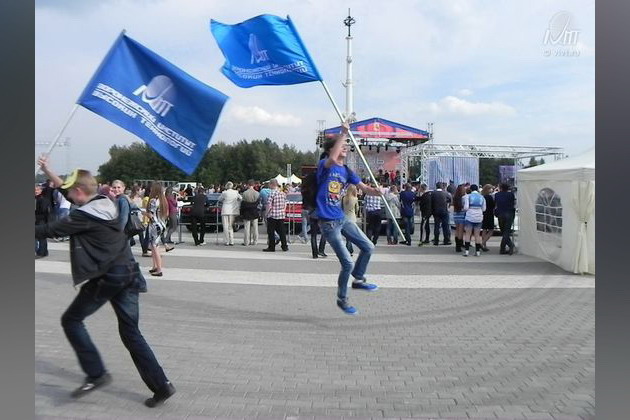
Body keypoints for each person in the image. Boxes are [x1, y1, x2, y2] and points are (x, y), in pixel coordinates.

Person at [34, 167, 175, 407]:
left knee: (71, 320)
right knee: (131, 332)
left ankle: (96, 374)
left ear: (80, 192)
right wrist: (48, 170)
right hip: (129, 272)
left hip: (109, 277)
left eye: (71, 191)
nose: (68, 194)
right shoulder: (105, 202)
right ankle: (162, 385)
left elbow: (49, 230)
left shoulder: (83, 216)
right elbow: (68, 190)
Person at [316, 124, 383, 315]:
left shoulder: (346, 171)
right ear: (332, 150)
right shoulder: (325, 166)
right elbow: (332, 159)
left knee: (368, 247)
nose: (345, 147)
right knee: (347, 263)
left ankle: (358, 279)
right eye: (342, 146)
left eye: (346, 145)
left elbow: (365, 188)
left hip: (342, 218)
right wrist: (343, 133)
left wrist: (377, 191)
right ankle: (342, 299)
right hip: (328, 223)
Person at [145, 183, 171, 276]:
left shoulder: (153, 200)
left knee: (154, 247)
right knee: (155, 246)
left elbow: (151, 215)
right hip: (161, 224)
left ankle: (159, 269)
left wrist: (143, 213)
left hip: (154, 225)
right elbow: (166, 214)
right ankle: (155, 266)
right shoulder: (163, 201)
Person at [263, 179, 288, 252]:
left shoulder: (271, 193)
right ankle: (284, 246)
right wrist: (283, 210)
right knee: (282, 231)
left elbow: (269, 205)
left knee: (271, 232)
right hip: (281, 215)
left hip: (272, 215)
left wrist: (266, 214)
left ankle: (271, 247)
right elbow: (285, 203)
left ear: (271, 184)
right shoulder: (282, 193)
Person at [462, 184, 487, 257]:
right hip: (479, 217)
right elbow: (484, 209)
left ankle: (467, 251)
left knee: (468, 234)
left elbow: (466, 207)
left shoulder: (468, 196)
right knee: (477, 235)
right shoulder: (482, 197)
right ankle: (477, 251)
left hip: (470, 216)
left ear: (471, 189)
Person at [494, 183, 516, 255]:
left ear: (500, 188)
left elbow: (496, 204)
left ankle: (504, 248)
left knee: (503, 231)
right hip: (509, 213)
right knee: (506, 231)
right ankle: (509, 246)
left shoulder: (497, 195)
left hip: (500, 214)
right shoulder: (511, 194)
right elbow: (513, 203)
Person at [218, 181, 242, 246]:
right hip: (232, 210)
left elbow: (219, 199)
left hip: (225, 210)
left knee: (225, 226)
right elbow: (241, 198)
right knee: (230, 226)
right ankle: (232, 241)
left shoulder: (224, 193)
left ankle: (227, 241)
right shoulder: (236, 192)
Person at [240, 179, 260, 246]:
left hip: (247, 212)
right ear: (254, 185)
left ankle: (246, 242)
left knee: (246, 228)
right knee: (255, 227)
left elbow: (243, 203)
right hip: (254, 211)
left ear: (248, 185)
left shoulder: (245, 193)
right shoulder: (257, 193)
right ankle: (255, 241)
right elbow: (258, 203)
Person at [342, 184, 360, 255]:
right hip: (352, 217)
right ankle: (348, 249)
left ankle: (350, 249)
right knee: (350, 236)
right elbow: (357, 209)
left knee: (347, 235)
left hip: (344, 217)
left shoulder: (343, 198)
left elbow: (341, 208)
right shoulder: (355, 199)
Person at [452, 185, 467, 253]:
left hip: (456, 214)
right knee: (461, 231)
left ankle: (457, 245)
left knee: (457, 230)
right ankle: (459, 246)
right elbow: (465, 207)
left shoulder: (455, 197)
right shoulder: (464, 198)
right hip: (462, 214)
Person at [481, 184, 496, 252]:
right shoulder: (489, 197)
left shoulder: (482, 197)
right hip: (489, 214)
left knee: (484, 229)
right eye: (490, 188)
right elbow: (493, 205)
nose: (492, 190)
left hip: (484, 214)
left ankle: (484, 245)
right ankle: (482, 243)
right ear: (488, 189)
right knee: (491, 230)